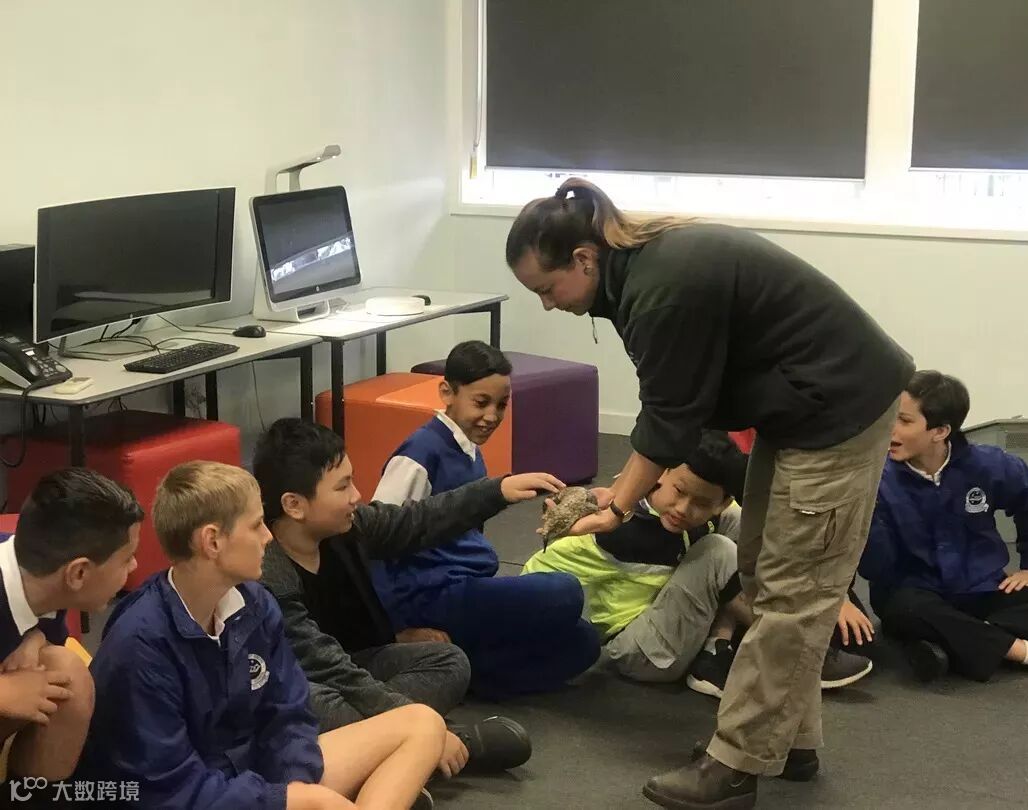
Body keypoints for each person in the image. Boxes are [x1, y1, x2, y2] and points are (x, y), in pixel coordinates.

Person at [506, 177, 914, 809]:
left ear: (583, 259)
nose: (546, 305)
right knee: (763, 571)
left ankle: (736, 765)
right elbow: (673, 407)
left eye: (545, 288)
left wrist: (615, 507)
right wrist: (619, 495)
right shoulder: (639, 273)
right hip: (796, 409)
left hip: (838, 411)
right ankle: (789, 741)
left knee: (794, 592)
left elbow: (669, 424)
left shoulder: (661, 288)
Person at [79, 461, 444, 810]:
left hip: (255, 781)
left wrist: (295, 785)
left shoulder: (255, 602)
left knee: (422, 723)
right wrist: (286, 801)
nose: (269, 537)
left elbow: (289, 711)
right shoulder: (140, 643)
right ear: (212, 541)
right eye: (256, 526)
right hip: (192, 799)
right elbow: (169, 791)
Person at [255, 418, 557, 776]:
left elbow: (418, 520)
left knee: (449, 661)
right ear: (294, 505)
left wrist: (497, 491)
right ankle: (432, 748)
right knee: (312, 705)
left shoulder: (350, 528)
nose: (356, 495)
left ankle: (389, 756)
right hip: (303, 682)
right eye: (342, 486)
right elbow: (324, 665)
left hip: (357, 666)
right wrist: (419, 720)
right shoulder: (267, 571)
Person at [523, 431, 873, 699]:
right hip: (637, 650)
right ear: (661, 474)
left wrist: (836, 596)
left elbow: (755, 523)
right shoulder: (626, 529)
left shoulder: (711, 511)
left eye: (702, 502)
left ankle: (715, 653)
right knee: (718, 552)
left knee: (738, 524)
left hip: (666, 619)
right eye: (679, 491)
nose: (683, 509)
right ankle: (798, 651)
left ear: (721, 501)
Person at [370, 340, 601, 698]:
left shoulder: (469, 450)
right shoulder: (417, 455)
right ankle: (437, 661)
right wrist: (398, 630)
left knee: (584, 642)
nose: (492, 416)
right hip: (430, 596)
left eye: (501, 404)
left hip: (466, 586)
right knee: (565, 592)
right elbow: (372, 543)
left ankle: (459, 671)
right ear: (447, 392)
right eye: (481, 403)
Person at [859, 370, 1028, 683]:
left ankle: (956, 641)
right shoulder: (874, 477)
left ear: (940, 431)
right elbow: (875, 568)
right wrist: (873, 519)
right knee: (906, 611)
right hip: (914, 594)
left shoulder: (989, 464)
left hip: (982, 590)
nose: (888, 429)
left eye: (904, 421)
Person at [0, 468, 140, 781]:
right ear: (78, 574)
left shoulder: (41, 582)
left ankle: (32, 797)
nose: (135, 566)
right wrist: (5, 692)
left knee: (67, 678)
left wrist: (34, 638)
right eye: (126, 558)